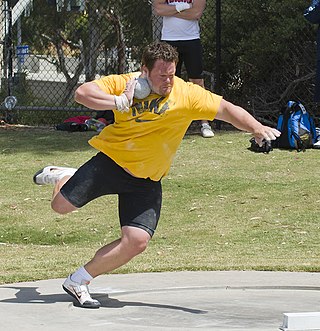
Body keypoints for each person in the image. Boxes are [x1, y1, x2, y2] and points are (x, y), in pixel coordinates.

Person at [33, 42, 280, 309]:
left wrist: (256, 127)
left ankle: (78, 280)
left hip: (147, 179)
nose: (168, 81)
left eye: (172, 75)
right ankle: (62, 177)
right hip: (112, 163)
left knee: (137, 242)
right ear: (144, 71)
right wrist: (118, 101)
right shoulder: (126, 83)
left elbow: (227, 110)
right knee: (60, 207)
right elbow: (83, 93)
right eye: (161, 76)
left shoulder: (187, 94)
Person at [153, 0, 214, 138]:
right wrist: (182, 7)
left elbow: (196, 13)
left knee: (197, 81)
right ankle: (171, 122)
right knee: (169, 81)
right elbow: (159, 10)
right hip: (169, 39)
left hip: (191, 39)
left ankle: (204, 123)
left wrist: (171, 10)